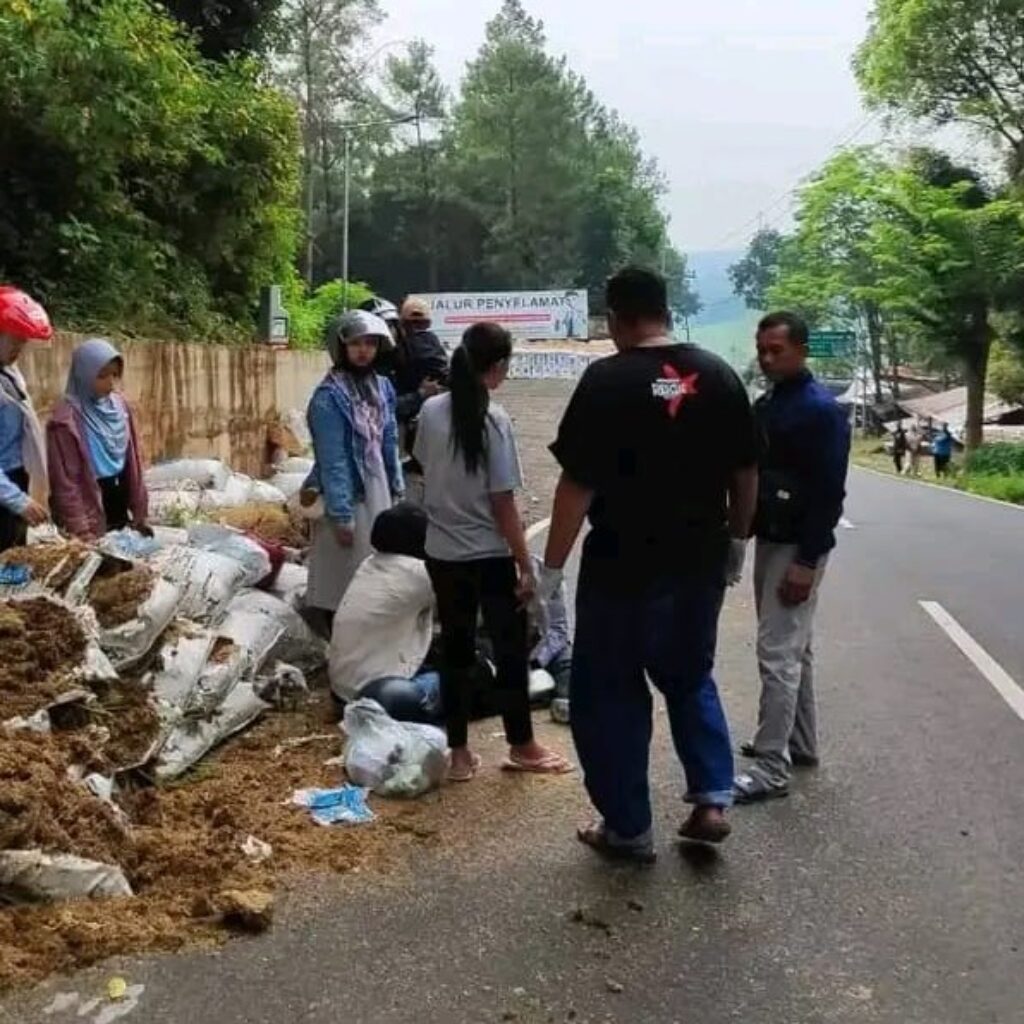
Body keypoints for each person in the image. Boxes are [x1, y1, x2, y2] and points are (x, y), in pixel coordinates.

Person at [540, 266, 759, 862]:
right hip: (700, 559)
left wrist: (551, 570)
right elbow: (746, 470)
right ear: (665, 310)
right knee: (690, 676)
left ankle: (629, 827)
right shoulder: (718, 374)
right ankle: (711, 799)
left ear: (615, 318)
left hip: (622, 565)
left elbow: (576, 485)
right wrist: (738, 539)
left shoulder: (606, 380)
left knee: (610, 692)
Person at [414, 322, 571, 782]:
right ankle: (522, 745)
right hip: (488, 553)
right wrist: (525, 564)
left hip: (442, 552)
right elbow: (503, 502)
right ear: (499, 365)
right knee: (509, 649)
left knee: (456, 651)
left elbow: (423, 465)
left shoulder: (430, 410)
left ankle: (460, 753)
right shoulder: (493, 420)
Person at [734, 312, 850, 804]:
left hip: (797, 546)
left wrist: (807, 560)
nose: (766, 358)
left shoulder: (820, 411)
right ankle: (798, 744)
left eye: (776, 350)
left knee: (776, 653)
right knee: (795, 649)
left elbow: (829, 493)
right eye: (762, 349)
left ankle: (770, 767)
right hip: (771, 537)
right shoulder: (771, 403)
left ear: (801, 350)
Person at [306, 311, 404, 625]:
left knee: (375, 562)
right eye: (355, 343)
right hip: (349, 491)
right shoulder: (328, 397)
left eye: (370, 343)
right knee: (344, 569)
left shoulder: (383, 387)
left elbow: (390, 439)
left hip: (378, 484)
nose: (363, 350)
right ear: (341, 347)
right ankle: (339, 629)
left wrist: (396, 486)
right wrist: (341, 514)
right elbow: (332, 457)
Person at [328, 504, 442, 724]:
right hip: (380, 698)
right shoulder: (420, 574)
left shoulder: (370, 563)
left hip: (342, 694)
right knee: (468, 672)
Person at [46, 338, 149, 540]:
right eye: (101, 376)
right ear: (83, 375)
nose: (110, 382)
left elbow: (134, 461)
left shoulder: (120, 408)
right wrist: (80, 529)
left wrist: (139, 510)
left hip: (118, 496)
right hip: (88, 505)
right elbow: (66, 482)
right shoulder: (66, 421)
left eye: (115, 374)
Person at [0, 286, 53, 552]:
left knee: (14, 557)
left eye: (23, 342)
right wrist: (19, 501)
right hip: (5, 488)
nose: (19, 349)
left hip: (13, 480)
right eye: (14, 340)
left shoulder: (8, 374)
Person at [395, 297, 448, 440]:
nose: (416, 329)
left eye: (420, 323)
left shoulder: (397, 348)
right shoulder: (394, 351)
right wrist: (420, 394)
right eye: (411, 324)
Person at [528, 554, 573, 724]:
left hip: (541, 651)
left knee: (570, 660)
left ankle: (568, 702)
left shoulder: (544, 571)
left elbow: (558, 630)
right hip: (499, 655)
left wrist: (535, 661)